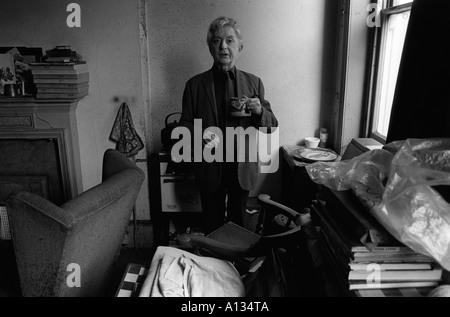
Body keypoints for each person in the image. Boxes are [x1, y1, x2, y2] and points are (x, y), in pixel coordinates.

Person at [179, 16, 278, 234]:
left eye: (229, 40)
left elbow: (270, 128)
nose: (223, 46)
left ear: (239, 46)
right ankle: (214, 265)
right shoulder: (194, 85)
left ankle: (236, 266)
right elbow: (184, 126)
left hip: (241, 168)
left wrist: (259, 110)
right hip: (210, 166)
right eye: (216, 41)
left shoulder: (254, 83)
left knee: (239, 226)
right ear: (210, 47)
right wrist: (200, 135)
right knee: (212, 227)